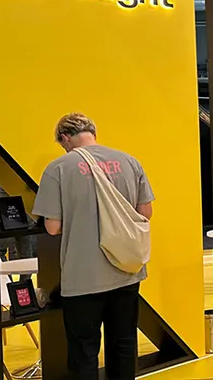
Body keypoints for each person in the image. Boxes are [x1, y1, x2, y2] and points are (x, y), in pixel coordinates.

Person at [32, 113, 154, 380]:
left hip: (82, 276)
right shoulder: (129, 161)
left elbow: (52, 227)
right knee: (123, 343)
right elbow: (145, 213)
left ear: (65, 138)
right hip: (126, 270)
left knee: (84, 352)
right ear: (93, 132)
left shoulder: (58, 168)